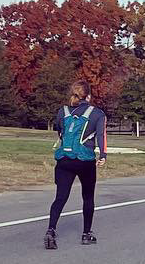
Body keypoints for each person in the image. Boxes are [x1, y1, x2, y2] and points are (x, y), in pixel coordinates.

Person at [45, 79, 108, 248]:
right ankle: (86, 233)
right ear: (88, 96)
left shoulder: (63, 111)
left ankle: (51, 230)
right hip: (85, 160)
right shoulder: (97, 114)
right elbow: (101, 135)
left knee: (60, 197)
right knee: (87, 197)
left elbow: (60, 132)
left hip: (64, 159)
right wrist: (103, 155)